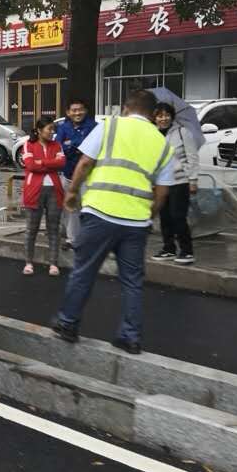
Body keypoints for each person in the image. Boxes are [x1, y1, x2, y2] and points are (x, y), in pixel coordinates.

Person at [52, 90, 175, 354]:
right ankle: (130, 337)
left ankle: (68, 324)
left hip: (99, 214)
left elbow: (85, 163)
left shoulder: (110, 126)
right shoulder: (163, 144)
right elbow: (163, 192)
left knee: (84, 271)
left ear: (125, 108)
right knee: (132, 281)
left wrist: (72, 193)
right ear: (153, 114)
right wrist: (147, 215)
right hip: (136, 223)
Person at [152, 102, 198, 265]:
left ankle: (186, 251)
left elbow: (192, 157)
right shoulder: (152, 134)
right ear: (154, 117)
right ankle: (168, 249)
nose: (163, 119)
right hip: (161, 183)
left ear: (172, 116)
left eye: (166, 115)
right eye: (159, 115)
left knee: (178, 216)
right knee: (164, 217)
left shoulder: (182, 132)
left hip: (180, 181)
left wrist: (193, 180)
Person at [21, 116, 66, 276]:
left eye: (54, 129)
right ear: (39, 131)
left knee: (54, 228)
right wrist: (49, 163)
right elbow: (30, 165)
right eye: (49, 129)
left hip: (55, 190)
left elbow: (61, 163)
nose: (52, 133)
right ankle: (28, 262)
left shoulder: (57, 145)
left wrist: (42, 162)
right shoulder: (28, 144)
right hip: (34, 191)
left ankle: (53, 264)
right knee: (31, 229)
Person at [54, 98, 98, 250]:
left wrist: (71, 145)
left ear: (85, 111)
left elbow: (92, 149)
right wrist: (76, 145)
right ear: (68, 112)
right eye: (74, 110)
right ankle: (72, 240)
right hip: (68, 174)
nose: (77, 113)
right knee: (70, 208)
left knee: (88, 208)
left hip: (88, 176)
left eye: (80, 109)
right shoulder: (63, 127)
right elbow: (59, 147)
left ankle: (89, 239)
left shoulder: (93, 126)